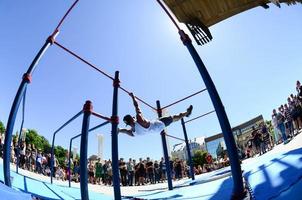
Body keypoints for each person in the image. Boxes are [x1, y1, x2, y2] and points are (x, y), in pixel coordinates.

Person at [118, 93, 193, 136]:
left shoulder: (133, 132)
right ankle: (187, 113)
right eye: (133, 117)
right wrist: (133, 97)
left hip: (155, 130)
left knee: (170, 119)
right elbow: (137, 106)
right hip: (158, 125)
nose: (134, 117)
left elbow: (124, 131)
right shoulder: (139, 120)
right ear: (132, 119)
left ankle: (185, 114)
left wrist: (119, 130)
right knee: (174, 117)